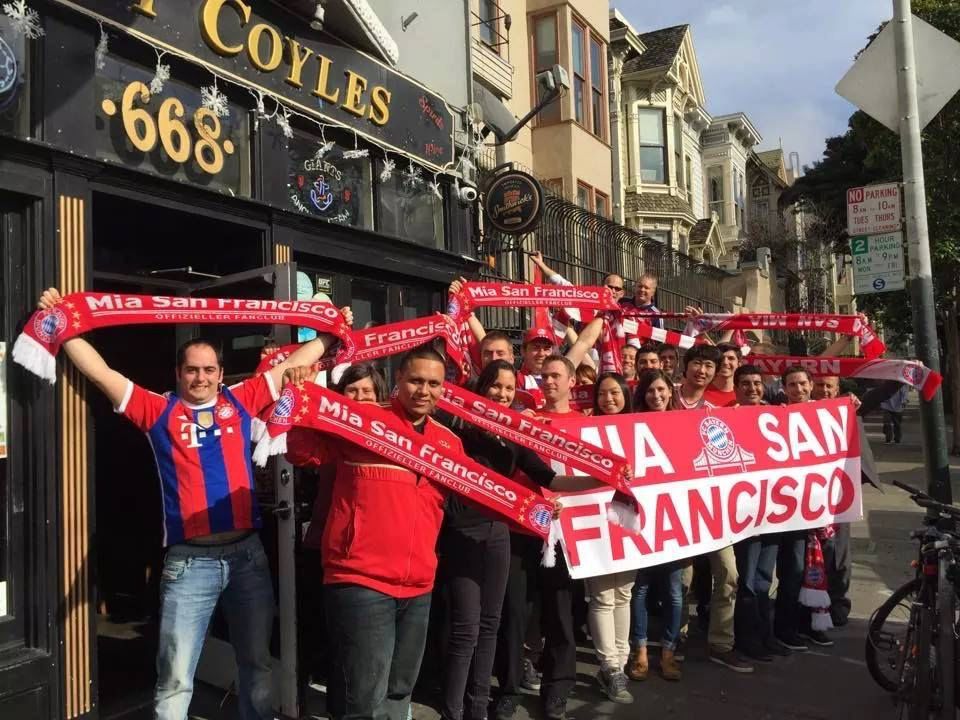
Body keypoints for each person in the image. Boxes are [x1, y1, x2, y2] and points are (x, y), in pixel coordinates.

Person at [35, 288, 351, 720]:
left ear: (221, 374)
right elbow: (100, 373)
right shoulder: (157, 411)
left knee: (257, 666)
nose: (200, 378)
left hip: (247, 557)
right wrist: (62, 321)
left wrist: (332, 330)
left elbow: (292, 366)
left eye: (208, 370)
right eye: (191, 371)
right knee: (176, 678)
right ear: (179, 373)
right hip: (188, 564)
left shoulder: (239, 401)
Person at [285, 346, 462, 720]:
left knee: (398, 694)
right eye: (415, 380)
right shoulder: (362, 419)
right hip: (360, 582)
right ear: (397, 379)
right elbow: (302, 453)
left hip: (418, 586)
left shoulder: (449, 443)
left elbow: (469, 501)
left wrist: (535, 509)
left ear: (443, 389)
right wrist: (296, 398)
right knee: (362, 703)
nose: (423, 390)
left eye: (433, 383)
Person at [443, 360, 557, 720]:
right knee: (466, 628)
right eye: (496, 387)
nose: (503, 395)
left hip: (499, 535)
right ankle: (452, 710)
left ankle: (477, 709)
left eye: (509, 389)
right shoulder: (457, 425)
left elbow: (549, 478)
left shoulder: (516, 434)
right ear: (482, 387)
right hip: (461, 533)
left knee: (491, 624)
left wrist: (606, 479)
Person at [300, 364, 388, 716]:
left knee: (365, 650)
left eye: (368, 392)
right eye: (353, 391)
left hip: (378, 555)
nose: (361, 398)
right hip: (331, 546)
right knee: (333, 638)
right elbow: (301, 450)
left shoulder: (393, 435)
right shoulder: (331, 433)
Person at [626, 369, 684, 683]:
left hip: (675, 523)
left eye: (661, 390)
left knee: (674, 592)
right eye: (650, 391)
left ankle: (669, 652)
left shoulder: (682, 424)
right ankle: (641, 652)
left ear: (669, 392)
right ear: (642, 395)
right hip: (641, 522)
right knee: (641, 590)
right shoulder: (627, 426)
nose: (656, 396)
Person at [584, 373, 636, 703]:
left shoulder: (639, 427)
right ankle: (610, 665)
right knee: (602, 596)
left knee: (624, 593)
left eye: (614, 393)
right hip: (594, 519)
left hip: (630, 519)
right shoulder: (584, 429)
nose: (608, 399)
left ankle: (621, 660)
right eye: (602, 394)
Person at [731, 365, 789, 664]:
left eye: (756, 383)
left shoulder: (778, 416)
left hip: (774, 511)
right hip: (744, 514)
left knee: (767, 578)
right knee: (749, 581)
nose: (752, 388)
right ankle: (747, 640)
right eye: (745, 383)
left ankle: (766, 635)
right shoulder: (726, 417)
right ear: (736, 387)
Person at [772, 366, 816, 653]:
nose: (797, 389)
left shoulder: (826, 413)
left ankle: (792, 627)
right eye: (791, 385)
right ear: (783, 389)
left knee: (796, 570)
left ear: (811, 385)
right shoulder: (773, 416)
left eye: (802, 384)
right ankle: (776, 628)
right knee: (765, 574)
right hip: (773, 507)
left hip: (805, 509)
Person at [674, 345, 721, 410]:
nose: (701, 370)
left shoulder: (710, 412)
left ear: (715, 373)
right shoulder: (666, 392)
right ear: (686, 366)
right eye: (697, 363)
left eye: (708, 366)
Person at [703, 343, 740, 407]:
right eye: (721, 358)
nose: (725, 362)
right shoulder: (699, 391)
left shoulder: (744, 395)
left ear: (739, 364)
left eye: (731, 358)